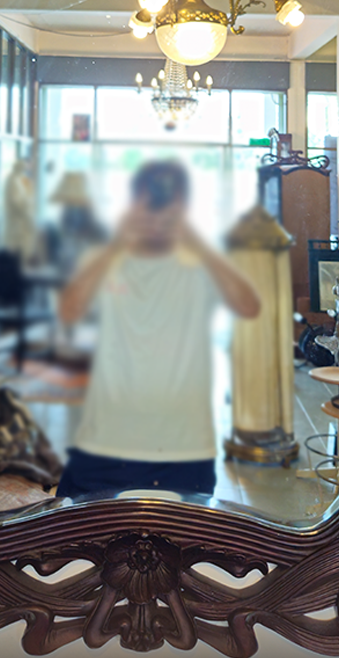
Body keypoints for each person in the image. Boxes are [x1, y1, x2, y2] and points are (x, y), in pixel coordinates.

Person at [54, 160, 261, 499]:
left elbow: (248, 306)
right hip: (106, 437)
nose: (157, 219)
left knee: (182, 547)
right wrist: (117, 240)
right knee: (81, 540)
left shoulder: (199, 263)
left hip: (183, 445)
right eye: (148, 206)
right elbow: (69, 310)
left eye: (168, 208)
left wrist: (196, 240)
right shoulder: (106, 257)